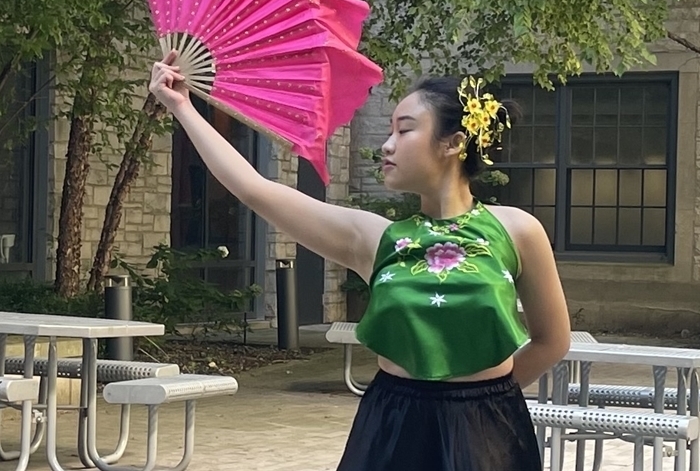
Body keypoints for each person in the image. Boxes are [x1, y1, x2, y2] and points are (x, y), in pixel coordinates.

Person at [149, 50, 570, 471]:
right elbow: (254, 189)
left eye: (404, 131)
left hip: (490, 429)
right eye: (389, 130)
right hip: (393, 424)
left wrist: (489, 395)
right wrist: (182, 107)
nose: (386, 146)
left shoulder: (517, 230)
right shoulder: (376, 238)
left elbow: (553, 340)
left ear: (453, 143)